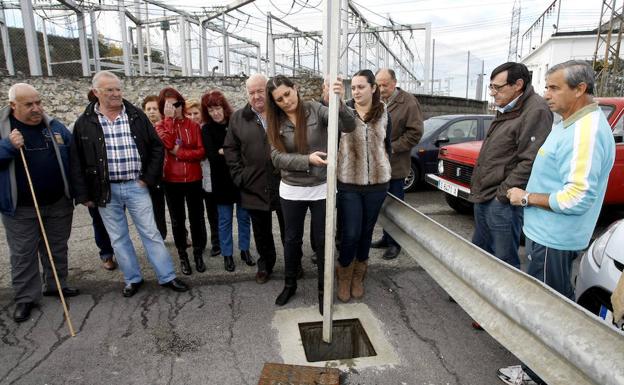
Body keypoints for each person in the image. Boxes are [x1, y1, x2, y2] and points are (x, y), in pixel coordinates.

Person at [502, 61, 615, 385]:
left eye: (554, 88)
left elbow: (577, 197)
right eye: (547, 86)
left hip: (555, 239)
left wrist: (526, 198)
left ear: (579, 90)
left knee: (549, 310)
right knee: (550, 305)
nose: (547, 94)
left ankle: (540, 374)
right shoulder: (570, 122)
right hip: (546, 235)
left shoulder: (586, 132)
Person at [70, 70, 188, 297]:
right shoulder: (84, 123)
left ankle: (167, 277)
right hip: (105, 189)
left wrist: (148, 178)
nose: (116, 94)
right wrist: (83, 194)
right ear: (96, 93)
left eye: (118, 89)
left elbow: (156, 147)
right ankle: (132, 279)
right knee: (118, 237)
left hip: (136, 185)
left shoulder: (135, 115)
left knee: (151, 233)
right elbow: (76, 160)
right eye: (109, 90)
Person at [266, 75, 355, 313]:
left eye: (287, 94)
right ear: (274, 102)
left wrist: (338, 102)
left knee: (323, 240)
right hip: (292, 188)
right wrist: (307, 160)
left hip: (320, 187)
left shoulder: (316, 109)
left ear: (295, 89)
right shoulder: (274, 121)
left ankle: (324, 291)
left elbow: (348, 125)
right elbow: (276, 157)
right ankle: (290, 283)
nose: (286, 101)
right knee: (291, 239)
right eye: (279, 99)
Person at [0, 83, 79, 322]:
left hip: (58, 202)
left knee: (56, 246)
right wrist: (8, 146)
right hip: (20, 206)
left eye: (38, 102)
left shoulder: (54, 126)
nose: (36, 108)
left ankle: (56, 284)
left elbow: (74, 157)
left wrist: (79, 192)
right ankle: (26, 298)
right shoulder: (4, 129)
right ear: (13, 105)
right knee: (23, 254)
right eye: (29, 104)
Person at [470, 62, 552, 270]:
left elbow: (530, 160)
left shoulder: (536, 110)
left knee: (504, 258)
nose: (492, 93)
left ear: (518, 85)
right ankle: (475, 290)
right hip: (485, 193)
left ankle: (502, 300)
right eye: (491, 87)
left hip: (501, 200)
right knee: (480, 248)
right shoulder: (509, 107)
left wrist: (502, 195)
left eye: (497, 87)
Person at [335, 69, 392, 303]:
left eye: (361, 87)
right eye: (354, 87)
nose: (356, 91)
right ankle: (344, 272)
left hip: (377, 184)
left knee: (367, 233)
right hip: (349, 181)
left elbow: (387, 144)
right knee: (350, 233)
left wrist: (384, 167)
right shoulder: (343, 110)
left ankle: (359, 275)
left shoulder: (384, 112)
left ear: (373, 88)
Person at [223, 73, 285, 284]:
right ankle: (265, 265)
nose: (256, 96)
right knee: (261, 232)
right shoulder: (238, 118)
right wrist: (239, 176)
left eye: (260, 91)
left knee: (290, 230)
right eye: (252, 92)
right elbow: (230, 149)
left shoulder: (282, 113)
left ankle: (293, 265)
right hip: (253, 184)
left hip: (284, 182)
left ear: (268, 91)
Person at [371, 68, 423, 260]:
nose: (381, 88)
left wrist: (390, 147)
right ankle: (386, 237)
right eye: (378, 84)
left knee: (396, 207)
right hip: (377, 166)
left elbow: (415, 133)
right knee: (383, 206)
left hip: (396, 166)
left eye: (385, 85)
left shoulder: (408, 102)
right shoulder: (376, 100)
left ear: (394, 83)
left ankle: (395, 244)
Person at [155, 88, 207, 275]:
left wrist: (180, 153)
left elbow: (201, 152)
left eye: (177, 104)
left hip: (193, 178)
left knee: (197, 218)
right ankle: (182, 254)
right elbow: (168, 144)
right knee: (178, 220)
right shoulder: (161, 125)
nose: (174, 108)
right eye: (169, 105)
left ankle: (198, 253)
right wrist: (169, 120)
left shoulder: (192, 126)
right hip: (171, 179)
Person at [201, 90, 255, 272]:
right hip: (221, 182)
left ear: (224, 107)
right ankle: (227, 255)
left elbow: (245, 149)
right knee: (224, 220)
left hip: (240, 179)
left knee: (244, 217)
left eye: (217, 108)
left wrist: (224, 150)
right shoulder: (207, 129)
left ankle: (245, 251)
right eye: (210, 110)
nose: (215, 113)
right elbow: (212, 156)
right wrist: (230, 150)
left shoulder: (235, 122)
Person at [187, 97, 221, 257]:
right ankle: (200, 241)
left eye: (196, 113)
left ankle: (217, 242)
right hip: (192, 177)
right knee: (196, 213)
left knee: (213, 212)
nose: (193, 117)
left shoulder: (206, 129)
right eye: (189, 114)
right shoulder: (186, 130)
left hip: (208, 176)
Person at [142, 94, 168, 241]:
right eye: (148, 109)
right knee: (156, 208)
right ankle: (160, 234)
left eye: (155, 108)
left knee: (174, 208)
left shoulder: (167, 126)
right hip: (153, 175)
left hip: (169, 173)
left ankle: (182, 234)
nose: (152, 111)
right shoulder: (142, 129)